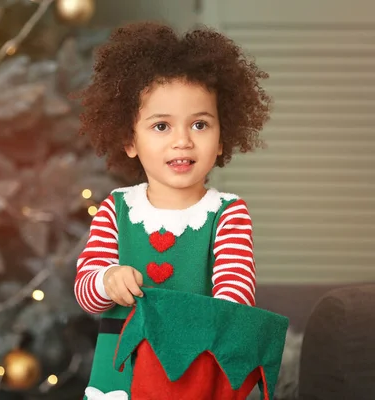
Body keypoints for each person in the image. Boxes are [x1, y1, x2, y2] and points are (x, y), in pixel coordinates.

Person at [72, 21, 284, 399]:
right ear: (129, 140)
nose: (183, 141)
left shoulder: (228, 213)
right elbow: (87, 292)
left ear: (223, 138)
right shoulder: (115, 209)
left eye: (200, 124)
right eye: (161, 126)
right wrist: (108, 279)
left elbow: (235, 297)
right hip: (122, 368)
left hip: (195, 372)